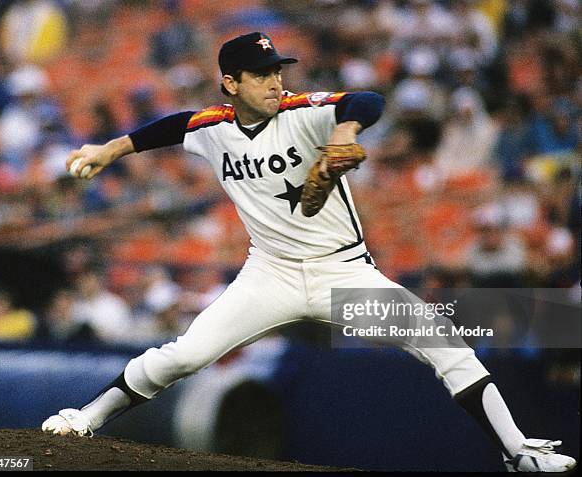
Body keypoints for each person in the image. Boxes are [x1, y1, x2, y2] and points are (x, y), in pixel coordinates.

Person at [42, 32, 576, 473]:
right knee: (182, 356)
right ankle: (85, 416)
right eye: (262, 74)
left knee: (446, 346)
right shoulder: (213, 129)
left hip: (343, 274)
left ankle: (518, 452)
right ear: (230, 83)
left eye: (278, 70)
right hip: (267, 275)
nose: (276, 82)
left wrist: (343, 130)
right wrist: (108, 149)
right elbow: (171, 126)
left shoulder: (304, 112)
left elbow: (367, 101)